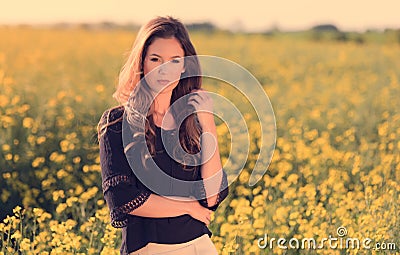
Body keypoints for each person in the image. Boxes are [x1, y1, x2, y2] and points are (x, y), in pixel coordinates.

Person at [98, 16, 229, 255]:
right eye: (155, 59)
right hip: (148, 248)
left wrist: (209, 125)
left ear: (184, 66)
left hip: (200, 246)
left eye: (174, 61)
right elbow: (122, 198)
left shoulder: (192, 124)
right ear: (142, 63)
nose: (163, 70)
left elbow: (211, 197)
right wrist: (187, 207)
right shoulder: (117, 122)